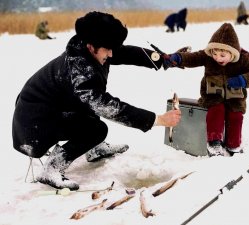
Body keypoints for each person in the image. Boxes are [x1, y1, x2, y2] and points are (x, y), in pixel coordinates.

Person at [12, 11, 181, 190]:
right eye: (107, 49)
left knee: (88, 107)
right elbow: (108, 107)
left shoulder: (90, 47)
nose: (111, 54)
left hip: (49, 111)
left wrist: (161, 59)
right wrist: (158, 119)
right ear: (92, 47)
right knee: (97, 128)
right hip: (33, 127)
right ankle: (52, 167)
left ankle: (94, 149)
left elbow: (124, 53)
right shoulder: (80, 71)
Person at [164, 23, 249, 157]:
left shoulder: (242, 60)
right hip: (212, 95)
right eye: (215, 54)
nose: (217, 58)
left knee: (236, 116)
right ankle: (214, 143)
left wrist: (242, 80)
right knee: (217, 110)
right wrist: (179, 58)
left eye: (222, 55)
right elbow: (193, 58)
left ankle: (234, 145)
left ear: (232, 53)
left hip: (235, 98)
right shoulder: (208, 56)